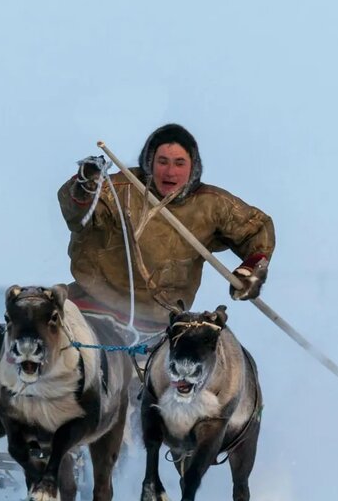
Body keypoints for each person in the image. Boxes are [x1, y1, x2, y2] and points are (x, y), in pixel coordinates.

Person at [57, 123, 275, 339]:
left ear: (193, 167)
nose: (170, 171)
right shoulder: (116, 190)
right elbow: (78, 215)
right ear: (149, 162)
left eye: (179, 163)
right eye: (163, 162)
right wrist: (83, 187)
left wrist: (252, 269)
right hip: (91, 306)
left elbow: (256, 229)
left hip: (160, 322)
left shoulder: (211, 205)